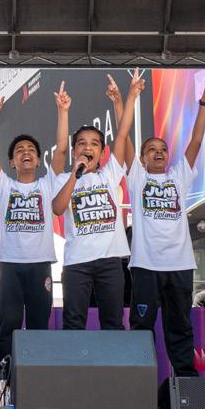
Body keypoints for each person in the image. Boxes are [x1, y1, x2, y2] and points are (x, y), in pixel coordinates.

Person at [124, 71, 205, 381]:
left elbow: (196, 140)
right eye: (151, 149)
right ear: (142, 159)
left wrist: (204, 103)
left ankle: (186, 384)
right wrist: (128, 98)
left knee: (180, 327)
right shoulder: (137, 178)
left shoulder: (179, 176)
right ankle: (139, 385)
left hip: (180, 266)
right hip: (146, 266)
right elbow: (123, 138)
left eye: (162, 149)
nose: (158, 152)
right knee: (141, 328)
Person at [0, 93, 60, 409]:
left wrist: (62, 110)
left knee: (39, 330)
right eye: (19, 151)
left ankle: (37, 391)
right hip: (10, 266)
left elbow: (62, 151)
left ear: (39, 160)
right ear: (12, 162)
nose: (25, 153)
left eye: (31, 150)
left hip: (41, 267)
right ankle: (5, 389)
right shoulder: (4, 185)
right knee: (9, 327)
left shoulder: (47, 184)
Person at [51, 79, 133, 331]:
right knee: (74, 323)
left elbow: (122, 134)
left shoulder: (109, 175)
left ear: (102, 152)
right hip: (77, 262)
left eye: (94, 143)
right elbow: (57, 208)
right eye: (82, 143)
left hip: (110, 261)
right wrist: (75, 176)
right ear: (74, 150)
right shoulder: (64, 179)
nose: (88, 147)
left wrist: (123, 99)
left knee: (113, 323)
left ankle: (112, 361)